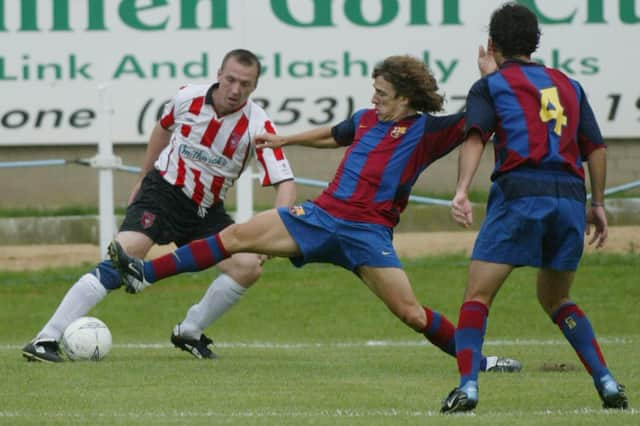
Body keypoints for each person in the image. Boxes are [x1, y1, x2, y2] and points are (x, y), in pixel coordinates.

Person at [109, 54, 522, 373]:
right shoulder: (365, 120)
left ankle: (478, 362)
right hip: (319, 216)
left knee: (411, 313)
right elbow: (331, 134)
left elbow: (477, 114)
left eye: (381, 92)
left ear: (405, 96)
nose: (373, 98)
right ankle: (143, 273)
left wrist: (491, 75)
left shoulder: (430, 131)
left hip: (368, 234)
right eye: (373, 90)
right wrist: (285, 138)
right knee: (235, 238)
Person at [22, 49, 296, 362]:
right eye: (230, 79)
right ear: (219, 74)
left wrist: (272, 234)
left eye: (245, 84)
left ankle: (189, 331)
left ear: (255, 86)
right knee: (124, 254)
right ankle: (45, 339)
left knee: (247, 267)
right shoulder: (187, 98)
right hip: (163, 191)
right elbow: (162, 128)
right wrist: (141, 177)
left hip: (206, 209)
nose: (235, 89)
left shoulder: (259, 127)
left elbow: (285, 183)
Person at [440, 3, 628, 413]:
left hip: (521, 193)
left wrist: (460, 190)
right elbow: (594, 147)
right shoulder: (569, 84)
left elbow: (476, 136)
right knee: (557, 298)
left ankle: (468, 387)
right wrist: (597, 203)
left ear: (492, 44)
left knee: (478, 294)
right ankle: (607, 379)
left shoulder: (489, 86)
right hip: (569, 198)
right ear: (535, 43)